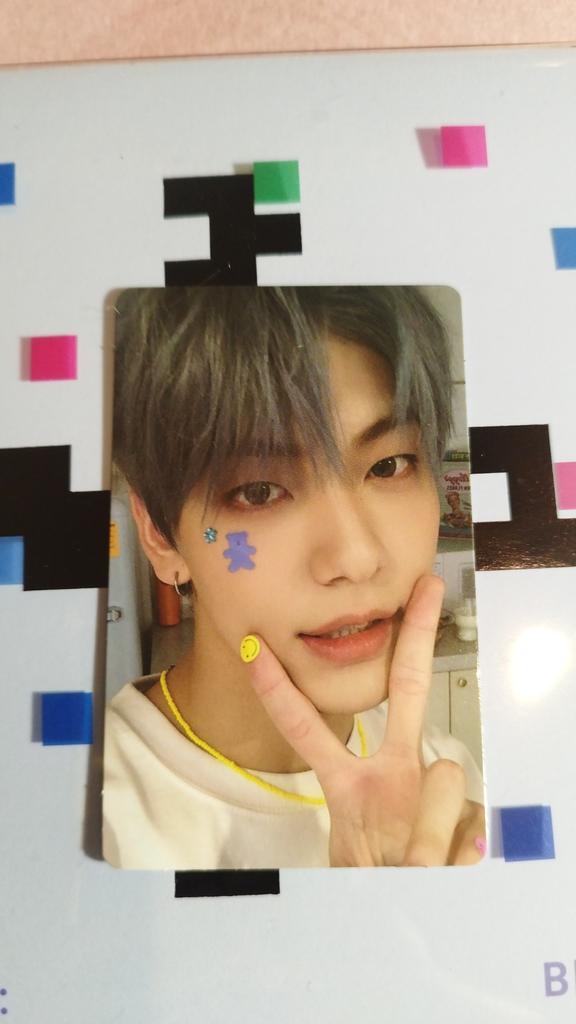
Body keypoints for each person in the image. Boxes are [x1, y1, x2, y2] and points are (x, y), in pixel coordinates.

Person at [103, 285, 485, 870]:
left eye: (389, 465)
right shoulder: (88, 823)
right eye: (259, 491)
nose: (356, 558)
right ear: (159, 533)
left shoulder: (447, 784)